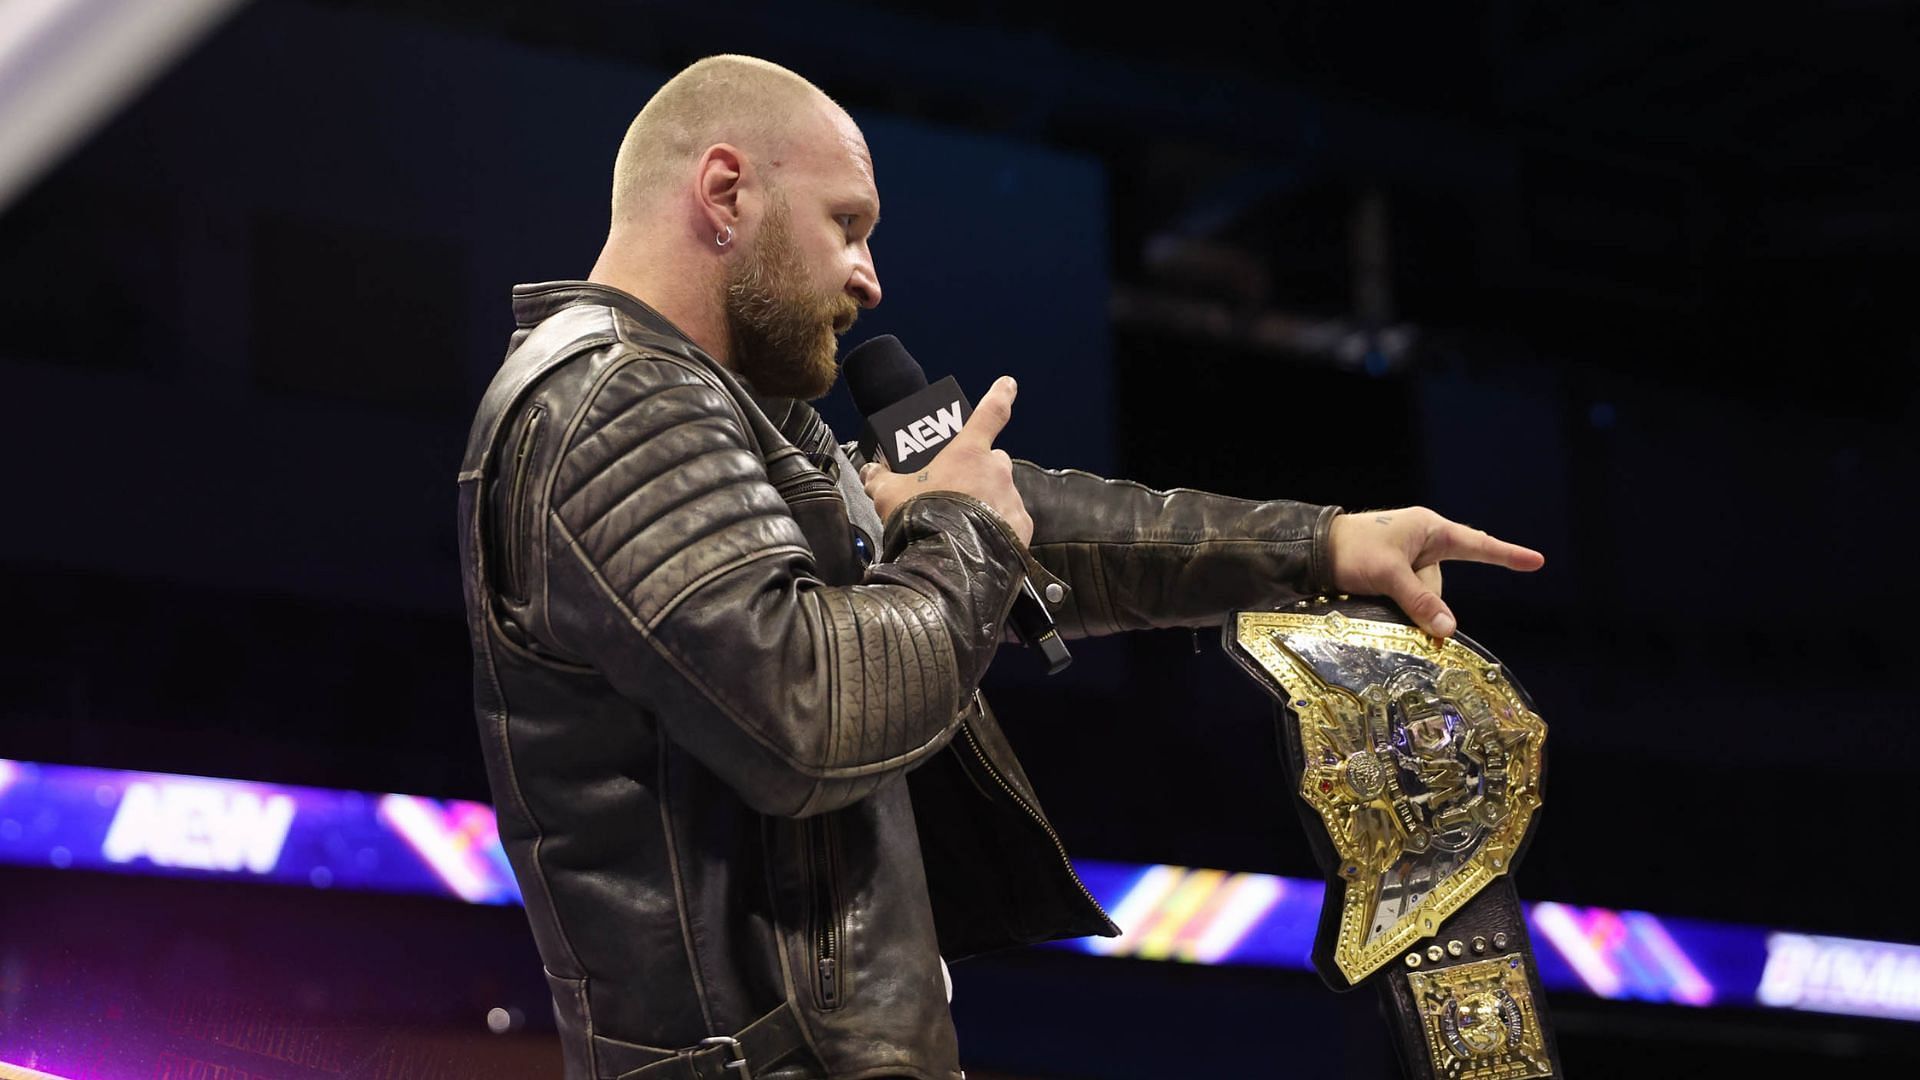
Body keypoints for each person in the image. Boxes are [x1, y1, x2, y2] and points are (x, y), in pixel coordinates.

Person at [455, 54, 1544, 1080]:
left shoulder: (732, 420)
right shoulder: (616, 403)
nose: (869, 277)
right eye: (848, 225)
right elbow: (809, 707)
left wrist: (1319, 543)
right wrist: (960, 535)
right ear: (726, 192)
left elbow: (1031, 524)